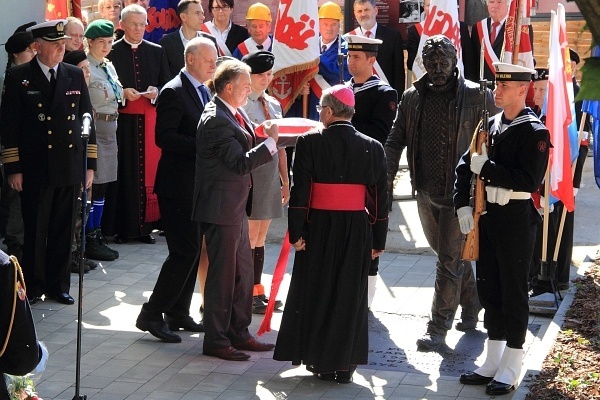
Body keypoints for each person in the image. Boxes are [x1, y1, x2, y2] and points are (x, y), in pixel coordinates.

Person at [273, 85, 388, 383]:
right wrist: (378, 240)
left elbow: (301, 193)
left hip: (320, 228)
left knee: (319, 292)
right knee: (349, 296)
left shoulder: (309, 143)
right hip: (356, 230)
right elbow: (378, 199)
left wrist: (296, 232)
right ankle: (344, 365)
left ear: (327, 111)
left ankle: (320, 361)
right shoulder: (373, 147)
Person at [385, 35, 491, 352]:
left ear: (454, 60)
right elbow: (393, 142)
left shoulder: (477, 96)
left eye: (443, 62)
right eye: (431, 63)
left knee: (447, 260)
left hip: (460, 195)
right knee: (449, 255)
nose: (437, 69)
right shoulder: (411, 99)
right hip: (425, 192)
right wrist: (385, 182)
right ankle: (473, 306)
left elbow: (495, 138)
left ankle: (437, 328)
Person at [455, 62, 549, 396]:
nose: (497, 91)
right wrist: (462, 204)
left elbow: (529, 180)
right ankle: (492, 359)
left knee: (512, 292)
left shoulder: (534, 131)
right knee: (489, 289)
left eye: (504, 86)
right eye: (496, 85)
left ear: (522, 90)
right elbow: (465, 167)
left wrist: (489, 169)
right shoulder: (489, 124)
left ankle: (512, 364)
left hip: (515, 219)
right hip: (488, 216)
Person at [0, 20, 97, 305]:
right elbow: (10, 127)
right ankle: (32, 285)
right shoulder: (20, 77)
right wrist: (14, 168)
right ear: (37, 46)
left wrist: (89, 165)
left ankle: (58, 285)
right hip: (35, 167)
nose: (60, 49)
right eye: (54, 44)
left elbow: (85, 118)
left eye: (62, 43)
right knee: (35, 231)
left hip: (68, 165)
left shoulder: (73, 75)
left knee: (62, 230)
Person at [192, 58, 278, 361]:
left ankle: (239, 332)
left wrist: (263, 131)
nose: (248, 90)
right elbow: (240, 163)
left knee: (242, 272)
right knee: (223, 276)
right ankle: (216, 339)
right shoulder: (216, 118)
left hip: (235, 207)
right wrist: (270, 145)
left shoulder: (233, 110)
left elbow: (248, 133)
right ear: (228, 88)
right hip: (220, 208)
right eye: (244, 86)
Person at [135, 37, 216, 343]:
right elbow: (164, 137)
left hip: (196, 184)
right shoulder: (174, 91)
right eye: (209, 60)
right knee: (184, 251)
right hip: (177, 185)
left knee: (193, 251)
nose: (213, 65)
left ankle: (178, 313)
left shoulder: (204, 90)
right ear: (191, 59)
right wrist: (205, 146)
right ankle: (151, 313)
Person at [103, 4, 170, 244]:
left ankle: (144, 228)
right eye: (134, 24)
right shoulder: (112, 52)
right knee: (124, 173)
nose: (139, 29)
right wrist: (122, 93)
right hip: (122, 123)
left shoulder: (156, 50)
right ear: (122, 25)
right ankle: (122, 228)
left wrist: (156, 91)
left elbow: (166, 84)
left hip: (149, 120)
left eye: (143, 24)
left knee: (145, 176)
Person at [343, 33, 396, 306]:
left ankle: (367, 297)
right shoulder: (342, 90)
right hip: (341, 173)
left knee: (371, 233)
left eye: (357, 57)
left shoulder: (384, 93)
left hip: (368, 171)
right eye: (349, 57)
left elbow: (379, 134)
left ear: (371, 60)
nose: (351, 62)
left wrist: (343, 130)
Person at [241, 51, 289, 314]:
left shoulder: (272, 104)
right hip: (251, 173)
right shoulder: (241, 104)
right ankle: (245, 290)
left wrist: (285, 179)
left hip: (269, 174)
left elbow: (281, 145)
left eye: (269, 74)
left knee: (261, 237)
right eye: (260, 75)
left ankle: (257, 288)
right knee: (249, 235)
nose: (266, 79)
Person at [83, 19, 123, 263]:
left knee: (104, 183)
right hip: (96, 127)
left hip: (110, 129)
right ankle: (89, 236)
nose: (107, 46)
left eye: (110, 42)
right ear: (90, 42)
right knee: (93, 184)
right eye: (102, 42)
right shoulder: (86, 66)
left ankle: (96, 232)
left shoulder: (107, 65)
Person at [0, 21, 37, 263]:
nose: (34, 53)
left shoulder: (35, 76)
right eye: (30, 50)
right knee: (15, 196)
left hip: (33, 148)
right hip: (13, 149)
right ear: (16, 53)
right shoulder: (9, 79)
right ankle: (15, 245)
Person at [406, 0, 475, 85]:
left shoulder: (461, 28)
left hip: (456, 85)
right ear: (424, 7)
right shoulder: (415, 31)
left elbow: (469, 60)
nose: (432, 8)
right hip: (428, 84)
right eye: (428, 6)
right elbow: (411, 63)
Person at [347, 0, 405, 96]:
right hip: (357, 96)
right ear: (355, 14)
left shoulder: (393, 36)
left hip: (384, 96)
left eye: (366, 10)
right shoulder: (349, 38)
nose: (363, 14)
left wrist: (397, 100)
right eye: (359, 11)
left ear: (376, 11)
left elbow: (399, 73)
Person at [304, 1, 351, 121]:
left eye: (333, 24)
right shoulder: (309, 45)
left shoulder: (346, 47)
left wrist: (314, 58)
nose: (329, 28)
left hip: (333, 107)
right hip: (308, 102)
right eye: (325, 24)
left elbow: (340, 72)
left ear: (339, 25)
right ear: (318, 24)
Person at [468, 0, 534, 83]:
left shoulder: (519, 28)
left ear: (508, 4)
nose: (495, 6)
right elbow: (473, 61)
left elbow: (527, 58)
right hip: (483, 88)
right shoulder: (478, 27)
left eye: (499, 2)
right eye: (491, 2)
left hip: (508, 86)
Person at [158, 0, 217, 79]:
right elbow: (164, 77)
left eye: (202, 13)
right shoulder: (166, 43)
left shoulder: (210, 41)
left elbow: (215, 71)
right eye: (197, 13)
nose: (202, 17)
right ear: (183, 17)